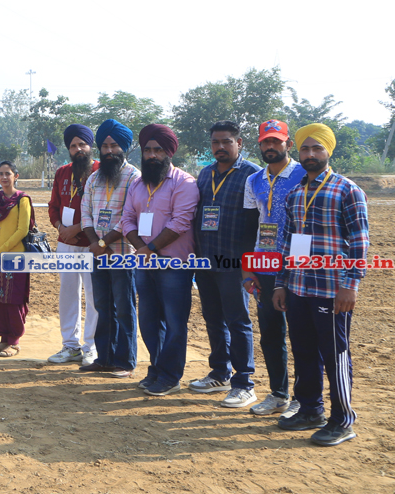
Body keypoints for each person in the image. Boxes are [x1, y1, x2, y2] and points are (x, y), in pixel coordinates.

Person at [273, 124, 369, 446]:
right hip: (298, 288)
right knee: (303, 351)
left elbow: (359, 242)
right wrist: (281, 283)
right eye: (305, 148)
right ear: (298, 152)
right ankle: (310, 410)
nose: (310, 154)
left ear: (328, 151)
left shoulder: (347, 190)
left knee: (334, 354)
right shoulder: (295, 193)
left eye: (317, 148)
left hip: (331, 289)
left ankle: (342, 420)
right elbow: (287, 243)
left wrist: (350, 285)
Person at [122, 124, 200, 396]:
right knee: (149, 320)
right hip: (145, 263)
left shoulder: (184, 183)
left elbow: (181, 222)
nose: (152, 155)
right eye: (147, 150)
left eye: (157, 150)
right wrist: (142, 249)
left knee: (175, 323)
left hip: (173, 265)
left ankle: (170, 376)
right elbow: (127, 219)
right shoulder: (137, 184)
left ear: (169, 152)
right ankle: (156, 367)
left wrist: (150, 248)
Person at [192, 121, 261, 408]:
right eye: (215, 142)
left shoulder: (253, 175)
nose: (220, 147)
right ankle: (220, 372)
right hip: (206, 260)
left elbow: (258, 221)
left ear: (239, 143)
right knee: (213, 319)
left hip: (235, 263)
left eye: (226, 142)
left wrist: (250, 264)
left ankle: (244, 383)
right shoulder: (205, 173)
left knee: (238, 321)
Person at [241, 120, 305, 416]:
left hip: (296, 264)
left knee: (302, 334)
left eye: (276, 141)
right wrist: (247, 269)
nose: (270, 146)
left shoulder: (305, 174)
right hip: (264, 265)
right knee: (270, 333)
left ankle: (304, 399)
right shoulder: (254, 180)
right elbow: (248, 227)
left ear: (288, 145)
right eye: (265, 141)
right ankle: (279, 394)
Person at [79, 119, 141, 379]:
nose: (109, 151)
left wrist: (103, 244)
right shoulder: (94, 177)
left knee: (124, 307)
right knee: (102, 306)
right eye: (104, 146)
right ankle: (104, 358)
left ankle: (125, 361)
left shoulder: (134, 176)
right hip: (97, 254)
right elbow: (85, 213)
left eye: (114, 146)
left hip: (123, 253)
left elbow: (129, 216)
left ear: (124, 147)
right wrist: (95, 243)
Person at [46, 124, 98, 366]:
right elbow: (53, 206)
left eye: (82, 145)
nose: (78, 149)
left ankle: (91, 347)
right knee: (68, 294)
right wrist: (60, 228)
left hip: (92, 244)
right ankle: (70, 345)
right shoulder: (62, 172)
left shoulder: (100, 171)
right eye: (73, 145)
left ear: (90, 146)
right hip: (65, 243)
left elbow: (102, 209)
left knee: (93, 295)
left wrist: (76, 229)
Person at [0, 162, 34, 357]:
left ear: (16, 176)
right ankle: (3, 339)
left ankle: (14, 341)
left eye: (8, 174)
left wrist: (2, 250)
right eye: (1, 174)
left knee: (14, 298)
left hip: (15, 257)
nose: (4, 177)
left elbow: (22, 230)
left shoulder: (22, 199)